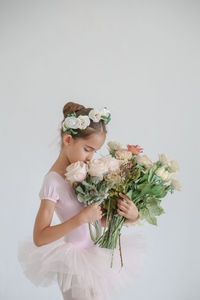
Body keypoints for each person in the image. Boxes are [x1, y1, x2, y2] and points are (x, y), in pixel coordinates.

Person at [17, 101, 148, 300]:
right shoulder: (52, 181)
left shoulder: (84, 174)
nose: (91, 157)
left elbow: (99, 219)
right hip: (75, 264)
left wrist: (131, 216)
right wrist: (80, 218)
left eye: (95, 151)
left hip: (96, 256)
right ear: (68, 139)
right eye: (88, 149)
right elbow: (40, 237)